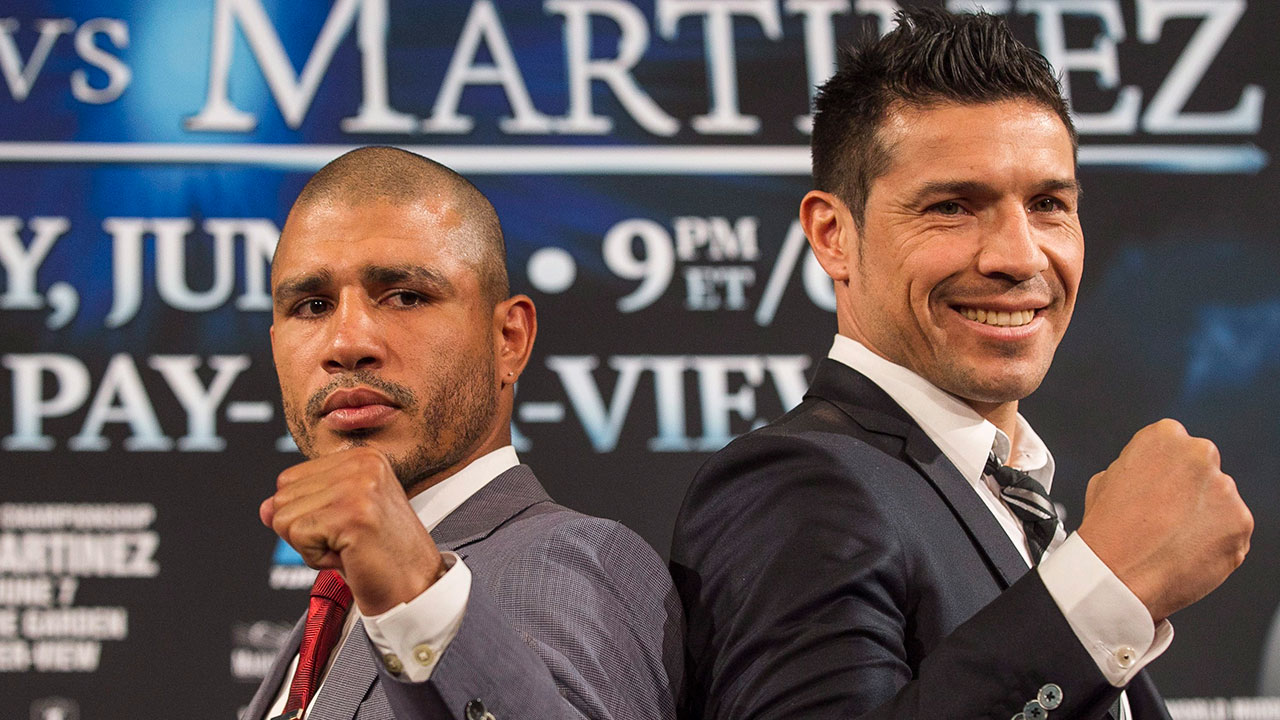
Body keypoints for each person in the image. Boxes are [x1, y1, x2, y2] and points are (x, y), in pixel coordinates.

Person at [670, 9, 1252, 720]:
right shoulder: (794, 487)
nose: (1020, 256)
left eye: (1048, 204)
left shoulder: (1011, 497)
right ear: (833, 234)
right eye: (952, 206)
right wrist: (1106, 586)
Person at [243, 146, 682, 720]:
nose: (346, 343)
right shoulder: (322, 625)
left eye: (406, 296)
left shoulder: (574, 562)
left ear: (509, 340)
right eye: (311, 305)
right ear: (276, 346)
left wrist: (414, 589)